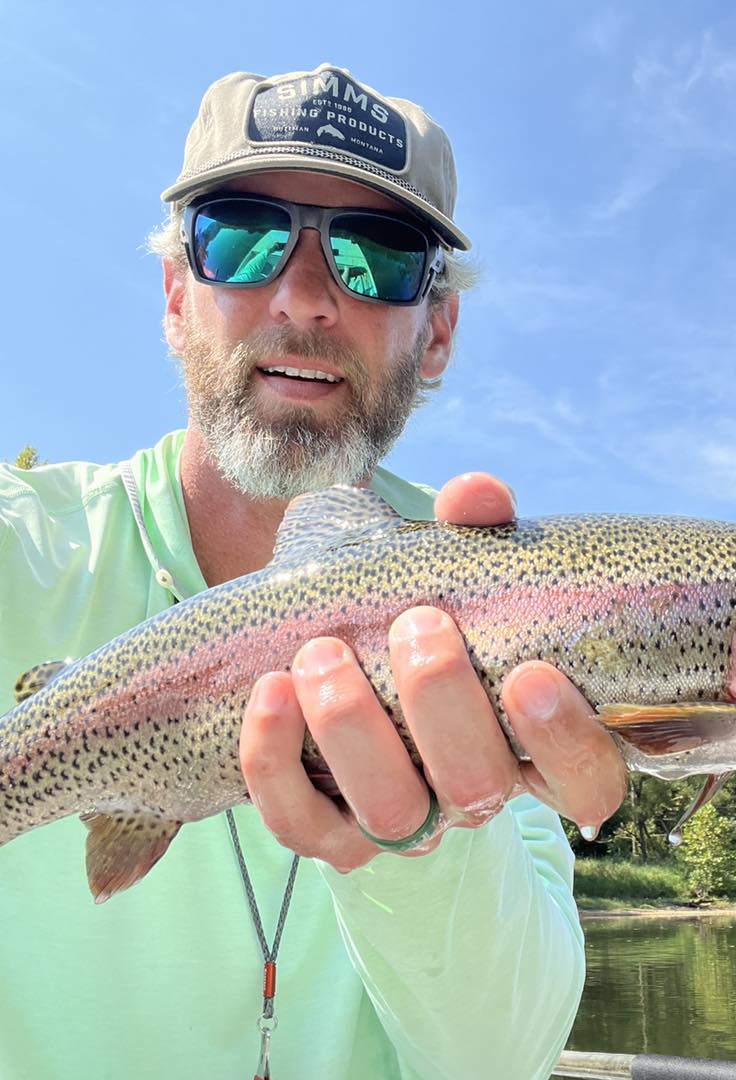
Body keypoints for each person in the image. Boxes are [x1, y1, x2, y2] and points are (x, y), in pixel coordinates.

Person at [0, 63, 626, 1080]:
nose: (304, 298)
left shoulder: (516, 602)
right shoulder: (19, 543)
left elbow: (500, 1062)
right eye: (241, 238)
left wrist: (429, 838)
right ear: (176, 295)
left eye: (376, 256)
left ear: (438, 333)